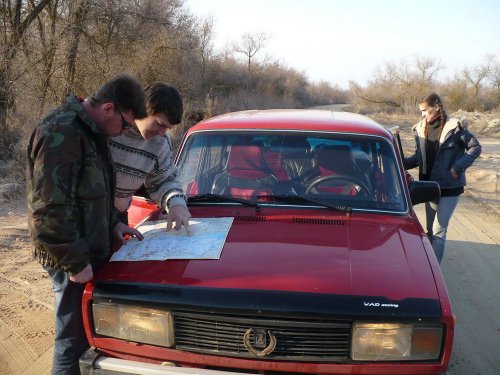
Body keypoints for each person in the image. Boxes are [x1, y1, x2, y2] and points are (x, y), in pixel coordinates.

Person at [27, 74, 147, 374]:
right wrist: (75, 262)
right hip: (67, 255)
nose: (124, 132)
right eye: (125, 124)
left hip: (84, 249)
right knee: (73, 339)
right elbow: (49, 209)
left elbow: (92, 194)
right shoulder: (61, 132)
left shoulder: (92, 133)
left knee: (90, 334)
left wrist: (112, 226)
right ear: (108, 108)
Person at [404, 93, 481, 263]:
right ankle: (429, 266)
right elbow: (418, 158)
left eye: (425, 110)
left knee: (439, 230)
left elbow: (475, 148)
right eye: (421, 112)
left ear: (437, 106)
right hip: (429, 187)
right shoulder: (420, 128)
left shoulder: (456, 127)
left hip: (450, 187)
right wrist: (398, 162)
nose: (423, 115)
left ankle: (434, 272)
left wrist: (457, 167)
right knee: (430, 229)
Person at [109, 82, 192, 235]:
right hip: (82, 218)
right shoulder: (108, 127)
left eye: (167, 128)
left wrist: (176, 204)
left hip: (118, 219)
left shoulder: (161, 142)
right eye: (159, 124)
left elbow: (162, 180)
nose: (161, 133)